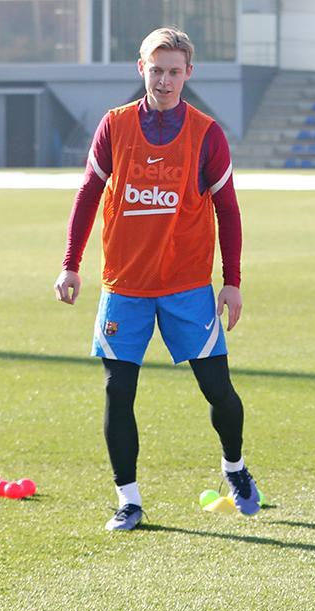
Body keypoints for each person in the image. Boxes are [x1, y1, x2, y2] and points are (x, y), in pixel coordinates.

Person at [53, 27, 257, 531]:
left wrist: (231, 281)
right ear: (139, 67)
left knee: (220, 393)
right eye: (155, 69)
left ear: (189, 72)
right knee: (118, 392)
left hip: (188, 287)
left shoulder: (207, 132)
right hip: (124, 288)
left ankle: (234, 465)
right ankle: (129, 499)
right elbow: (87, 196)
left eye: (173, 70)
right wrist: (70, 263)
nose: (164, 80)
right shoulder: (114, 125)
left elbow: (227, 211)